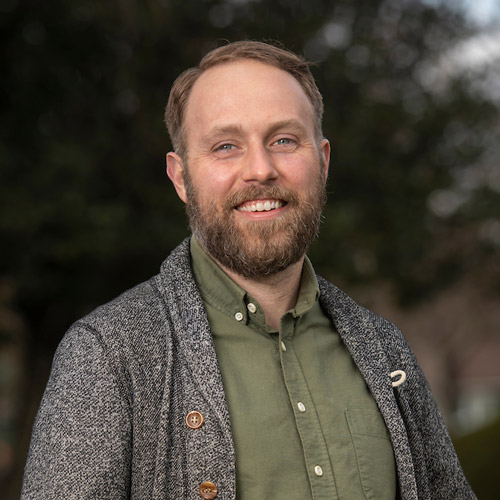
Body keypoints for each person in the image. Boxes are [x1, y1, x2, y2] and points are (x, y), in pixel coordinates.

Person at [22, 40, 475, 500]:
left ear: (322, 160)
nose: (260, 170)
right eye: (225, 146)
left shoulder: (384, 349)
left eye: (283, 140)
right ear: (181, 177)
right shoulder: (109, 354)